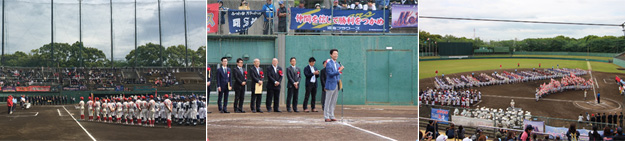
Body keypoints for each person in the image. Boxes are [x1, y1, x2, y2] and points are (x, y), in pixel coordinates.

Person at [324, 49, 343, 122]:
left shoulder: (338, 64)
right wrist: (338, 71)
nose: (336, 55)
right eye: (334, 54)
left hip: (336, 84)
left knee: (333, 101)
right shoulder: (329, 63)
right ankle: (326, 116)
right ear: (331, 55)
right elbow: (330, 74)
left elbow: (338, 74)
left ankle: (332, 115)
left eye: (337, 54)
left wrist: (340, 82)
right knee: (328, 101)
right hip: (330, 84)